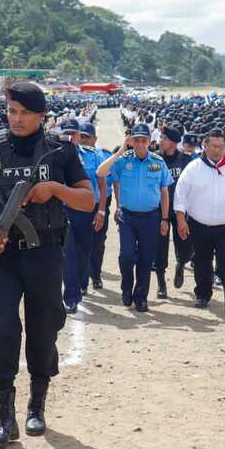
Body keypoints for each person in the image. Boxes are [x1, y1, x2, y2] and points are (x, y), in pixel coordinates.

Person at [0, 82, 93, 447]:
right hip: (4, 256)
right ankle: (5, 416)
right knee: (0, 328)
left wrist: (55, 190)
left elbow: (87, 199)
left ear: (41, 115)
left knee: (42, 329)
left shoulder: (61, 152)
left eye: (24, 113)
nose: (16, 119)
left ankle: (37, 405)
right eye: (11, 112)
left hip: (44, 253)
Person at [173, 128, 225, 313]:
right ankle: (202, 294)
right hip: (199, 225)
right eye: (213, 146)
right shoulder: (193, 168)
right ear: (205, 146)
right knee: (202, 262)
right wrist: (180, 220)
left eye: (221, 146)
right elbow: (180, 196)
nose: (217, 150)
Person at [96, 123, 172, 312]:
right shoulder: (123, 160)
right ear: (132, 141)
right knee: (127, 256)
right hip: (127, 217)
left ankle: (141, 297)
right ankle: (126, 287)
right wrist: (122, 148)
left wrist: (164, 219)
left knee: (146, 259)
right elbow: (101, 172)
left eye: (143, 140)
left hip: (151, 217)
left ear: (149, 142)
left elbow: (164, 192)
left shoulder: (158, 162)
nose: (140, 144)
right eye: (136, 140)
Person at [60, 119, 105, 314]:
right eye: (66, 133)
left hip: (87, 209)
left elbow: (102, 186)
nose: (70, 137)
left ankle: (82, 282)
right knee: (68, 252)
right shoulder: (54, 156)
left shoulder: (93, 156)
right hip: (63, 209)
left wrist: (101, 210)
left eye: (74, 133)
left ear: (79, 136)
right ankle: (71, 296)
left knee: (84, 250)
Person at [153, 122, 194, 297]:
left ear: (173, 142)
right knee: (159, 248)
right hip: (159, 209)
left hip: (180, 210)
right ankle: (161, 283)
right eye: (161, 137)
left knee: (185, 246)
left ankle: (181, 264)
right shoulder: (154, 158)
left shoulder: (185, 160)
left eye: (164, 138)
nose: (161, 140)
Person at [80, 122, 112, 290]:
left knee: (98, 243)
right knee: (82, 242)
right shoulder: (74, 155)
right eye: (81, 136)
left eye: (87, 137)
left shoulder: (104, 155)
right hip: (80, 205)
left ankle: (96, 275)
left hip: (100, 203)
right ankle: (83, 279)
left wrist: (103, 209)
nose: (83, 140)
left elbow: (112, 183)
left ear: (95, 138)